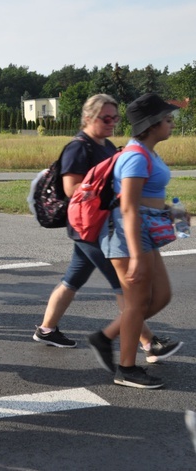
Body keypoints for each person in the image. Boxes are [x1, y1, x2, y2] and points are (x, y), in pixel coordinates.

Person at [32, 94, 181, 365]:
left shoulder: (107, 145)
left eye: (116, 118)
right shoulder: (79, 147)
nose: (112, 122)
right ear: (88, 118)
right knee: (125, 288)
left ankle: (46, 329)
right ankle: (147, 342)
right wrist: (109, 189)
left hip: (97, 225)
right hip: (90, 225)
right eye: (106, 118)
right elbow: (72, 190)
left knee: (72, 279)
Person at [99, 93, 185, 389]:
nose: (172, 124)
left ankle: (107, 336)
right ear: (151, 125)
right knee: (137, 303)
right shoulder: (136, 156)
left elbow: (146, 200)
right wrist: (135, 255)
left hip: (141, 233)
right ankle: (126, 369)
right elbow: (129, 207)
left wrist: (170, 210)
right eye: (168, 119)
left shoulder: (147, 152)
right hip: (127, 236)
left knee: (161, 296)